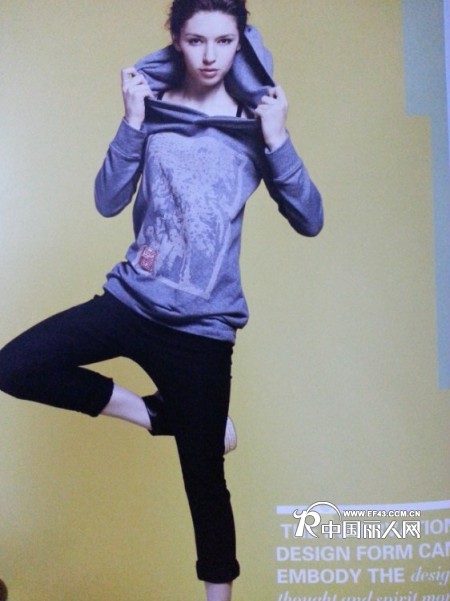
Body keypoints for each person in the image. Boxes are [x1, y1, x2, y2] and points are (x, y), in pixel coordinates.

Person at [0, 1, 323, 599]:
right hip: (131, 302)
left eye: (223, 41)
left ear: (241, 41)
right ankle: (157, 415)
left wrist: (278, 139)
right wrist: (131, 120)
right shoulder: (154, 106)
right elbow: (107, 200)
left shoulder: (255, 121)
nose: (209, 56)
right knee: (14, 366)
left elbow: (310, 219)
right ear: (176, 39)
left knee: (205, 486)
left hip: (203, 330)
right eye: (196, 40)